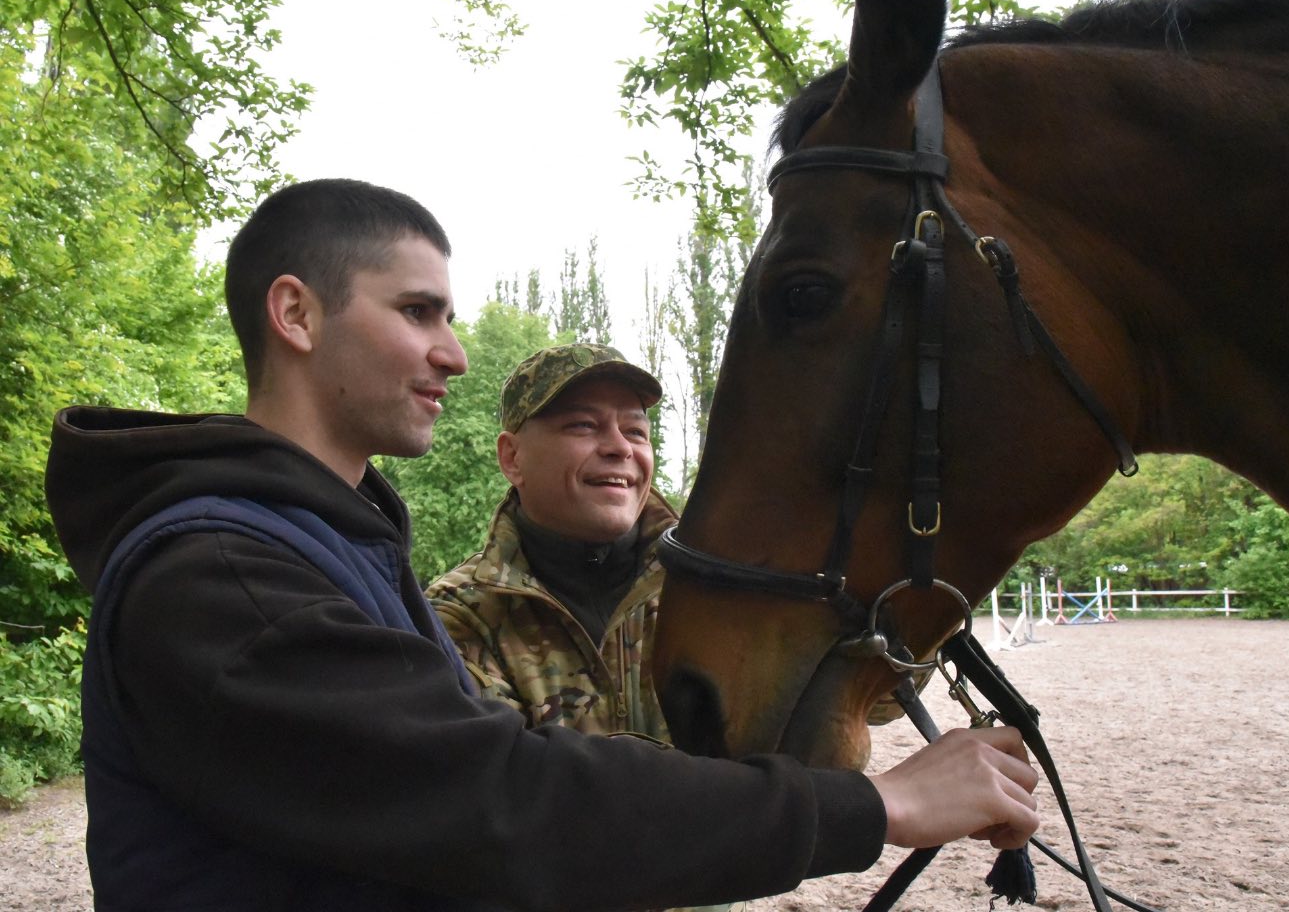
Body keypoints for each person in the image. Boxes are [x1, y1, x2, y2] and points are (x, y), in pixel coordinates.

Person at [46, 178, 1040, 912]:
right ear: (296, 313)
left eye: (450, 315)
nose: (454, 352)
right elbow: (498, 799)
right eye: (417, 312)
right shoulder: (224, 576)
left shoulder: (332, 548)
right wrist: (880, 810)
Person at [425, 343, 675, 739]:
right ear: (512, 458)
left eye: (636, 431)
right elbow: (506, 783)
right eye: (583, 425)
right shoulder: (459, 616)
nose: (620, 447)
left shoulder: (706, 595)